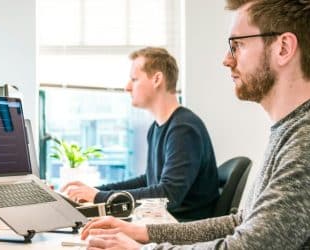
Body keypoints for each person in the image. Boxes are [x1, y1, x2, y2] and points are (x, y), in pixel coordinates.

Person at [80, 0, 310, 249]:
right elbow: (242, 222)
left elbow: (250, 246)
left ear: (283, 48)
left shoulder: (304, 140)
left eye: (237, 45)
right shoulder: (289, 131)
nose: (226, 60)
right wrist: (143, 233)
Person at [62, 47, 220, 221]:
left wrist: (99, 197)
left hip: (182, 230)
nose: (127, 87)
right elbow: (149, 180)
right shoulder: (157, 128)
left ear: (157, 79)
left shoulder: (184, 129)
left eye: (134, 79)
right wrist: (97, 191)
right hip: (163, 222)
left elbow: (168, 196)